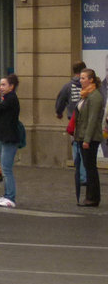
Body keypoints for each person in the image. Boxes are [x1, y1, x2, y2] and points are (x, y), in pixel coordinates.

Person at [56, 60, 88, 200]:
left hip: (74, 122)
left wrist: (59, 112)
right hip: (86, 122)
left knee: (76, 148)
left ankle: (81, 176)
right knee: (85, 149)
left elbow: (60, 100)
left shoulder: (68, 86)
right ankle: (84, 175)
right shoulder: (88, 86)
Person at [0, 73, 21, 208]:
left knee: (7, 169)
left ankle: (10, 197)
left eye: (3, 85)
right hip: (3, 136)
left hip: (9, 137)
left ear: (11, 86)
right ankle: (7, 194)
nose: (0, 87)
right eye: (0, 85)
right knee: (3, 167)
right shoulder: (7, 98)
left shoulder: (11, 99)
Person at [75, 68, 104, 207]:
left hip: (91, 137)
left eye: (84, 78)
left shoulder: (95, 96)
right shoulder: (86, 95)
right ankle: (90, 196)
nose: (81, 80)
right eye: (80, 78)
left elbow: (92, 120)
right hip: (82, 135)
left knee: (90, 167)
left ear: (91, 80)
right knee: (87, 167)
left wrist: (86, 139)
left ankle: (93, 197)